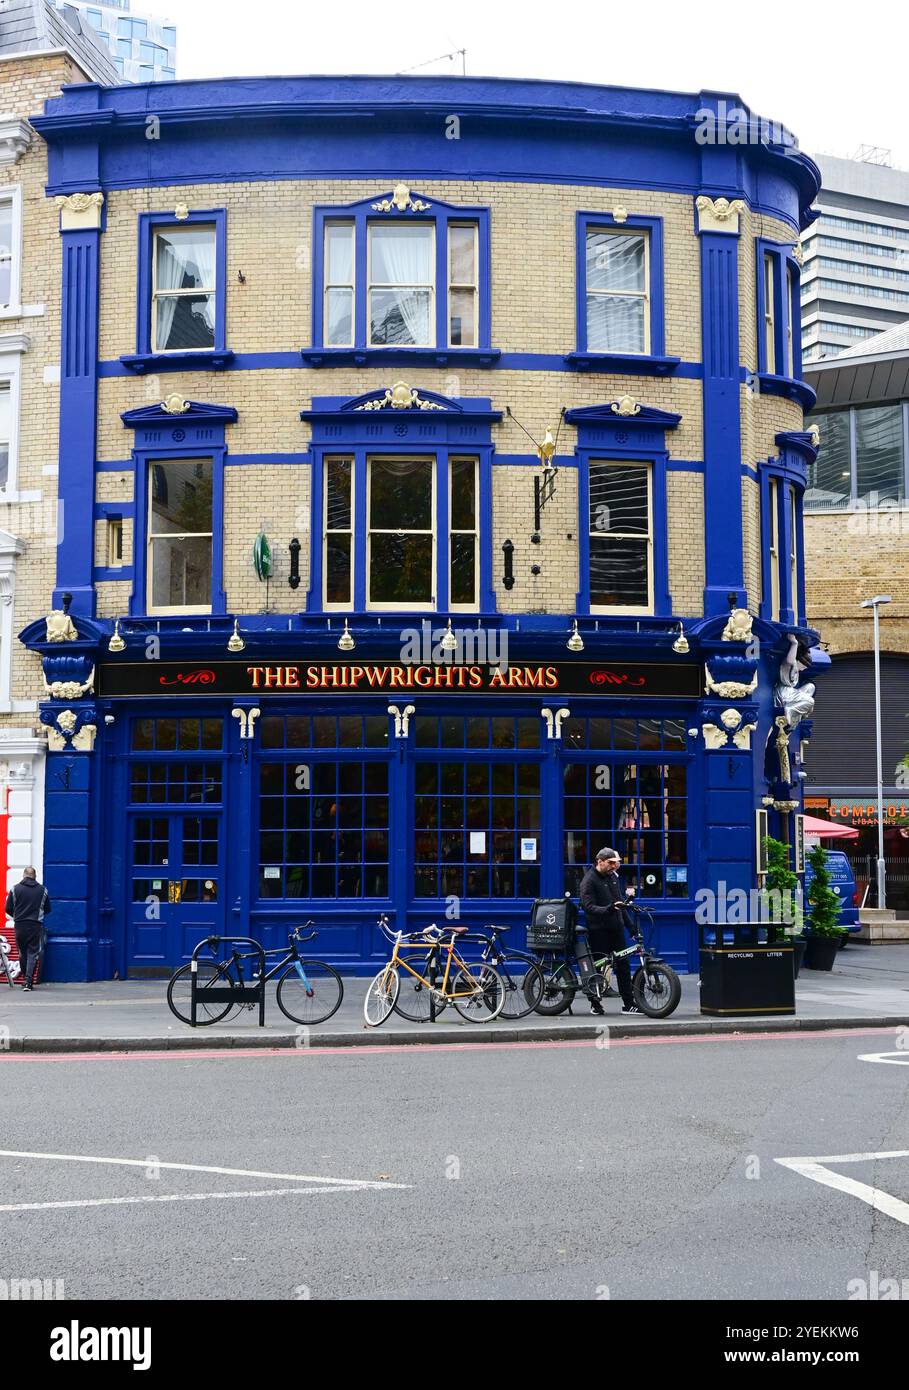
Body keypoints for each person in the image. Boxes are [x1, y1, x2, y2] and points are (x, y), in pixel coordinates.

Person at [578, 848, 640, 1015]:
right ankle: (595, 1004)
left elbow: (620, 905)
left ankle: (628, 1004)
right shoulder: (589, 880)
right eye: (611, 863)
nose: (614, 866)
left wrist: (631, 928)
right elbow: (588, 907)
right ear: (600, 861)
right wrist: (608, 909)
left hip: (616, 928)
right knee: (597, 967)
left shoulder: (612, 877)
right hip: (599, 930)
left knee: (623, 966)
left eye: (616, 863)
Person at [5, 867, 51, 992]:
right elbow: (48, 909)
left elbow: (8, 908)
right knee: (32, 952)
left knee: (22, 951)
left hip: (19, 924)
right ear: (35, 876)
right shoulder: (43, 890)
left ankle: (26, 978)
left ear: (24, 875)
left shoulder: (15, 889)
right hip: (35, 925)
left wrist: (17, 915)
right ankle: (28, 981)